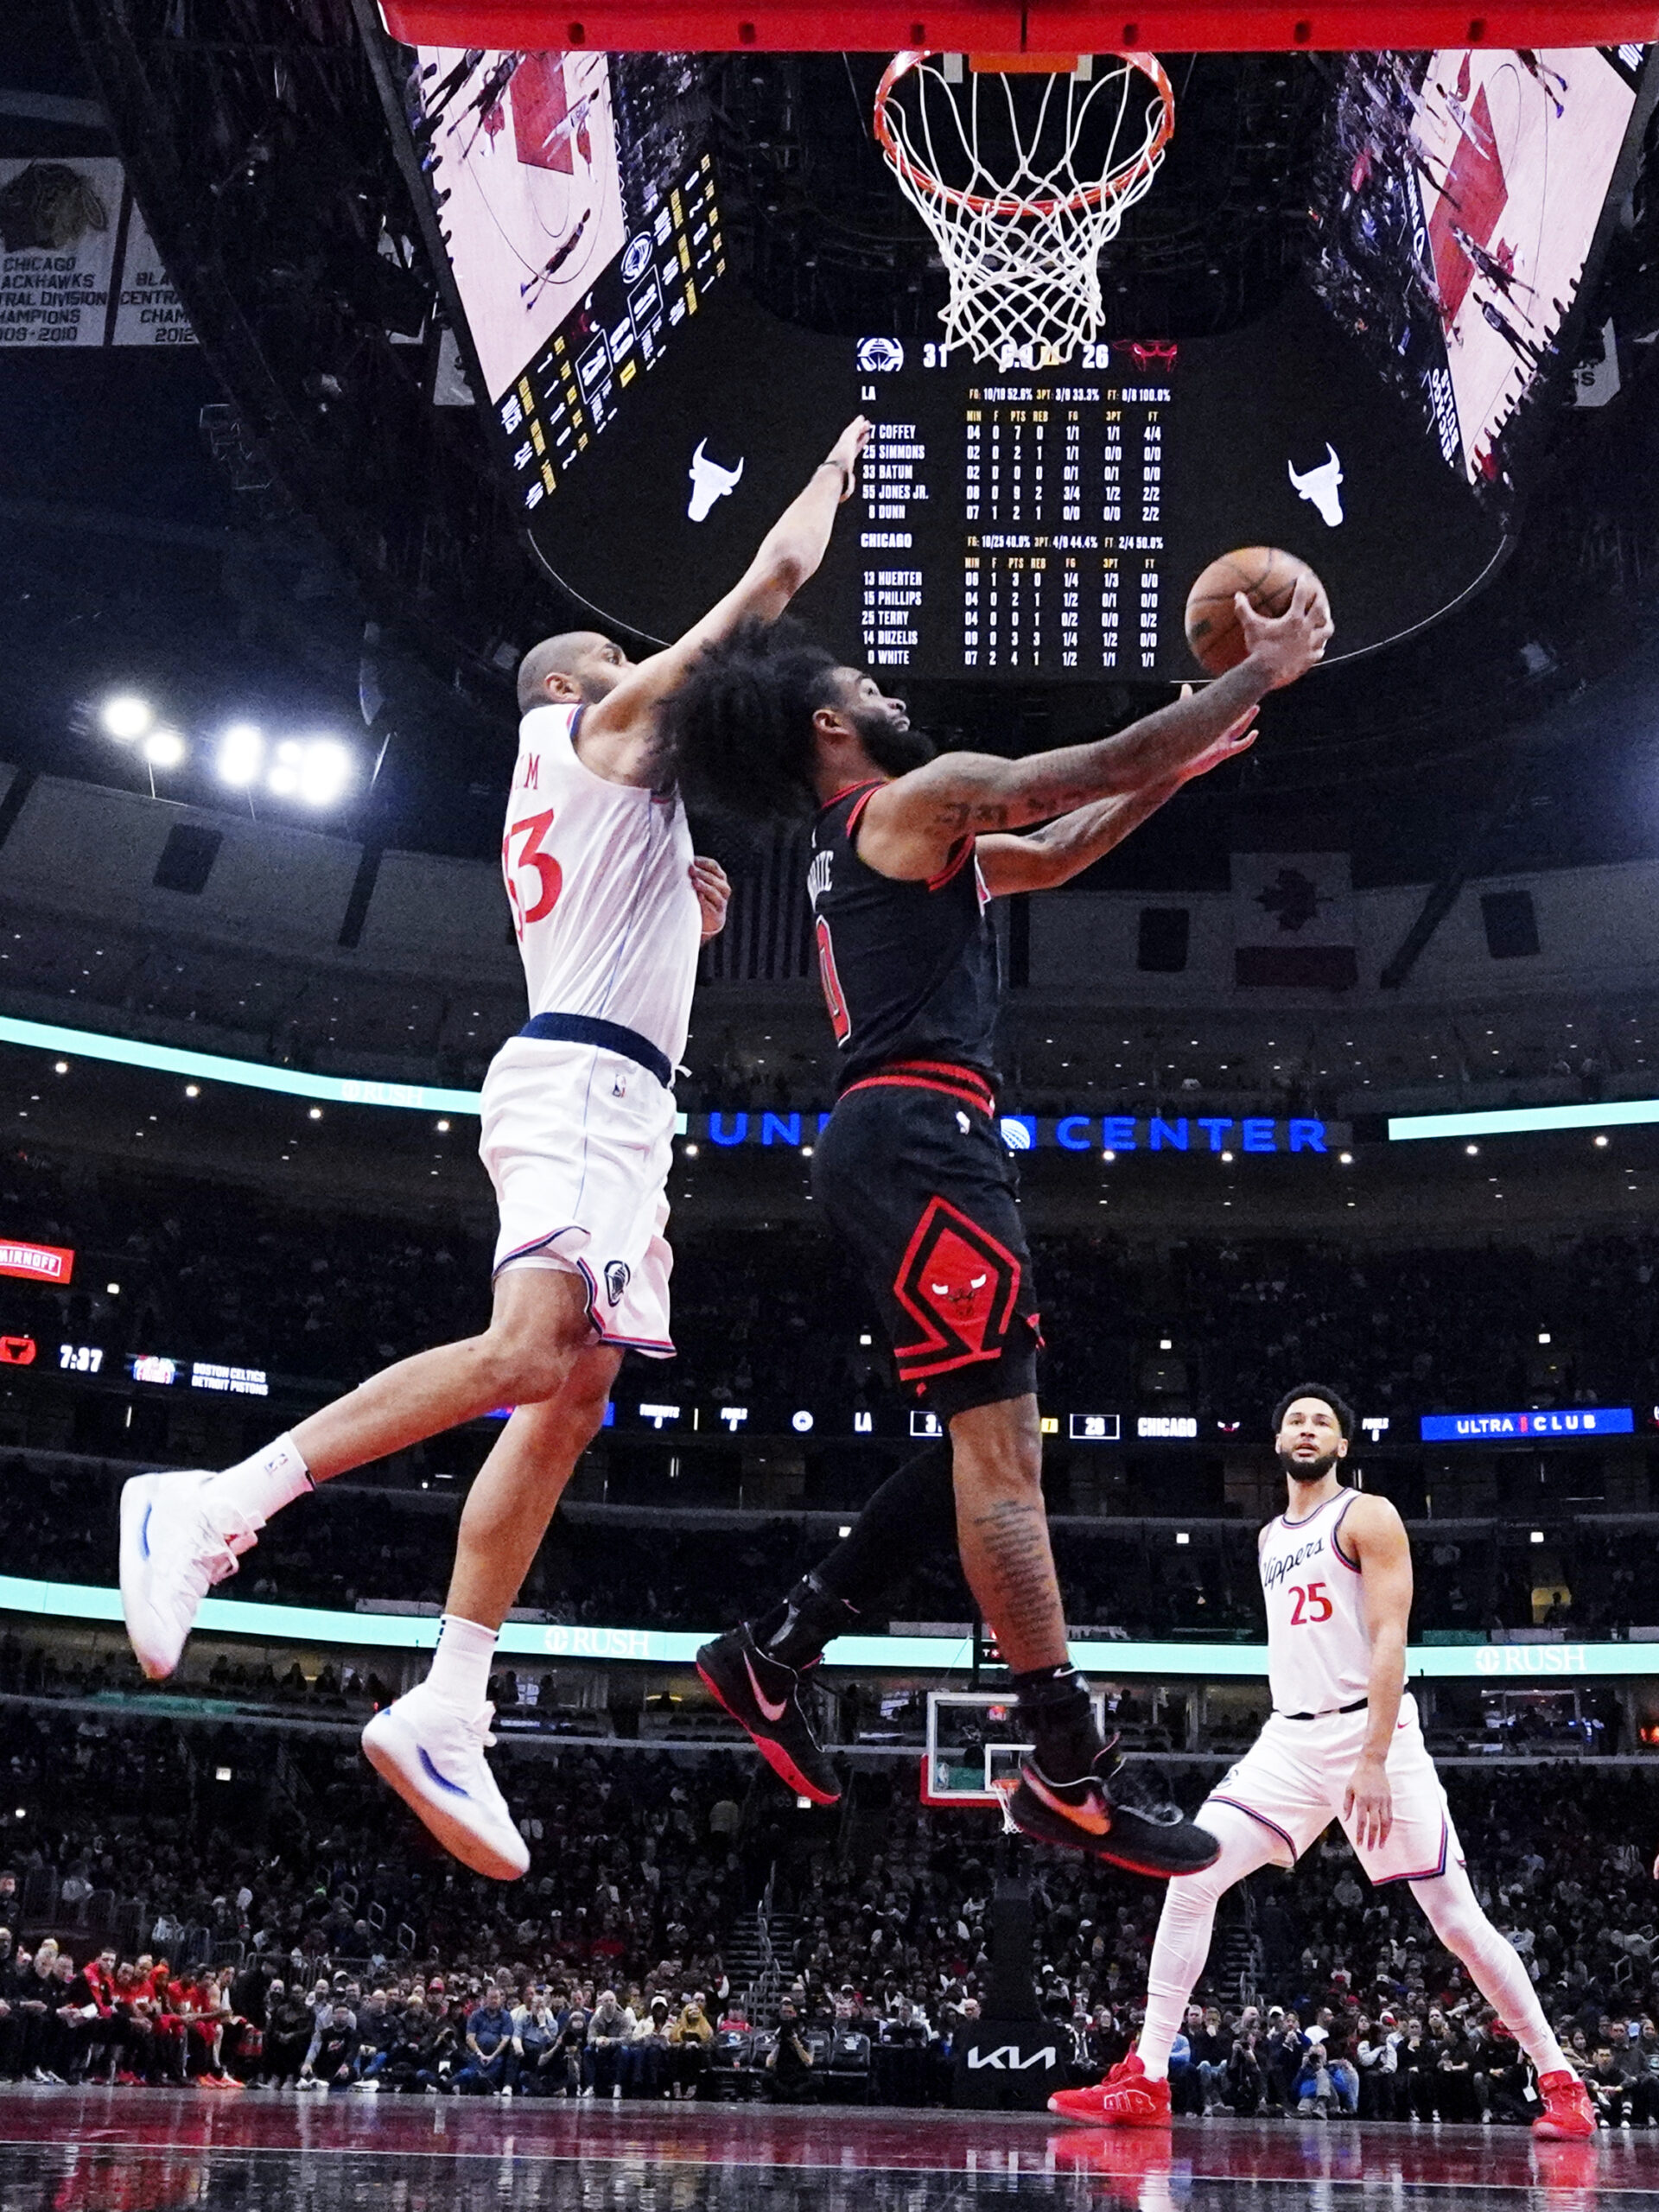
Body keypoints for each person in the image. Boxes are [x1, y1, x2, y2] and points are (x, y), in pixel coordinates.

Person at [116, 415, 874, 1882]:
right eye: (611, 656)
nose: (633, 666)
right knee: (533, 1351)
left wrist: (678, 908)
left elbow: (613, 906)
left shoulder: (592, 796)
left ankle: (451, 1698)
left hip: (618, 1095)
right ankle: (214, 1508)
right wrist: (841, 467)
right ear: (580, 687)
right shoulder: (591, 731)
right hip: (585, 1090)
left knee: (576, 1392)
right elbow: (769, 579)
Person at [677, 586, 1329, 1874]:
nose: (898, 701)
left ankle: (777, 1649)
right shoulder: (909, 803)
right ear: (830, 724)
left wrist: (1185, 759)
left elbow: (1069, 840)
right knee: (1006, 1465)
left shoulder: (883, 840)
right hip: (923, 1136)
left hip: (903, 1139)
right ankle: (1071, 1762)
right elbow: (1073, 770)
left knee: (988, 1441)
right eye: (876, 691)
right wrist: (1252, 676)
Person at [1048, 1385, 1598, 2140]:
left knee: (1455, 1920)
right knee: (1192, 1872)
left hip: (1373, 1735)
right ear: (1277, 1440)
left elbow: (1389, 1637)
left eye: (1323, 1423)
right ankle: (1146, 2075)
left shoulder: (1366, 1515)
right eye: (1296, 1420)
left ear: (1342, 1446)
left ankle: (1562, 2080)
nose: (1307, 1429)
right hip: (1291, 1741)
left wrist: (1372, 1755)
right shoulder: (1270, 1536)